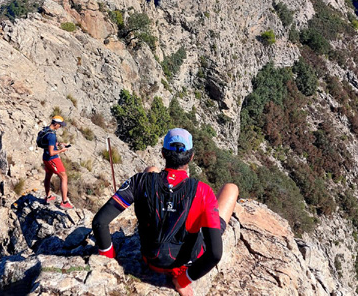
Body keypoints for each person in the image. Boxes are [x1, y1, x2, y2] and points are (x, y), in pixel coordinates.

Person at [92, 128, 239, 296]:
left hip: (151, 260)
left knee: (151, 171)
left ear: (163, 153)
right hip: (186, 264)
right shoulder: (203, 191)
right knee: (231, 188)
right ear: (191, 157)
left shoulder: (139, 181)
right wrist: (183, 281)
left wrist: (108, 258)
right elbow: (215, 254)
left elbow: (99, 222)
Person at [40, 115, 73, 209]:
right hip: (53, 159)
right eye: (60, 124)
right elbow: (51, 152)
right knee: (64, 177)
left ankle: (48, 197)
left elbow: (49, 144)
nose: (60, 126)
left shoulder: (46, 130)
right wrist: (61, 150)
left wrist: (59, 144)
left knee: (48, 176)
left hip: (45, 158)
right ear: (56, 124)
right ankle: (64, 202)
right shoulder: (52, 135)